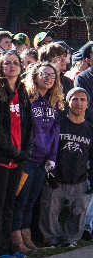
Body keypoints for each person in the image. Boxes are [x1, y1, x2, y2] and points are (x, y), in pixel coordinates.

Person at [0, 51, 33, 258]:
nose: (12, 66)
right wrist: (13, 151)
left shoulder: (23, 92)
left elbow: (29, 125)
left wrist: (25, 151)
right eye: (7, 63)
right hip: (1, 157)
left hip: (18, 158)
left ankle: (9, 246)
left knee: (10, 203)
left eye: (15, 63)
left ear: (21, 67)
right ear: (0, 68)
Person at [13, 62, 61, 253]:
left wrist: (52, 156)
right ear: (34, 76)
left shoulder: (53, 101)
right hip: (27, 159)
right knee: (21, 201)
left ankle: (28, 240)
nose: (48, 78)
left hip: (43, 161)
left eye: (52, 75)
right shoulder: (27, 98)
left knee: (31, 202)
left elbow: (55, 131)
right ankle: (17, 241)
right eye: (44, 74)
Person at [40, 88, 93, 247]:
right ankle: (52, 239)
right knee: (49, 211)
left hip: (79, 180)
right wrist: (48, 174)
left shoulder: (90, 130)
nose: (78, 103)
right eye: (74, 99)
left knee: (78, 212)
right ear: (68, 102)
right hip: (55, 178)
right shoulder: (58, 124)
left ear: (87, 105)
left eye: (82, 100)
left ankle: (71, 239)